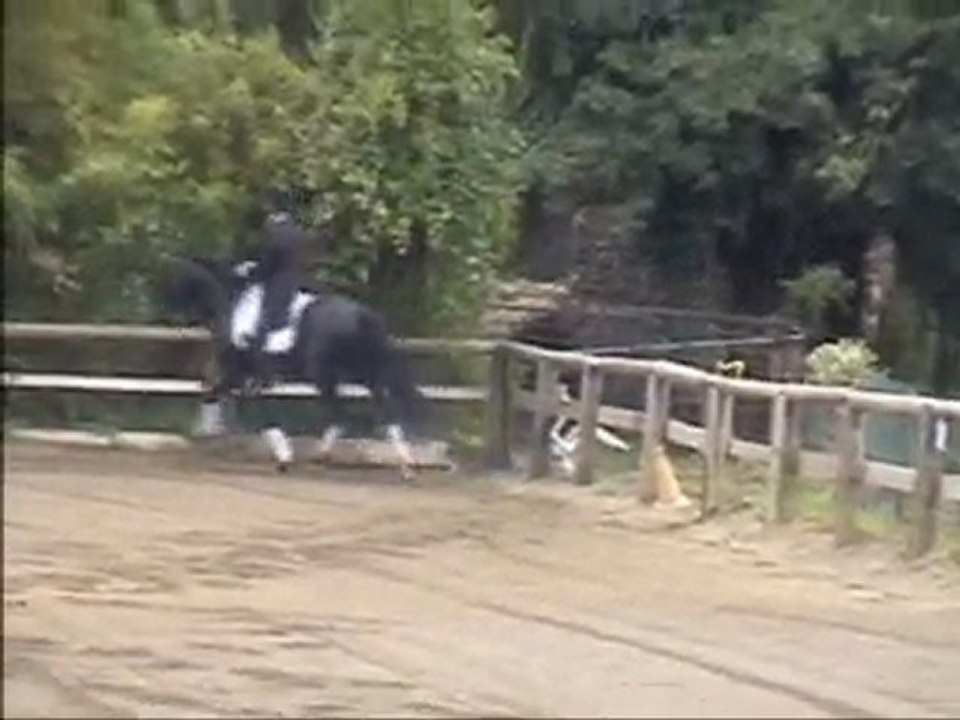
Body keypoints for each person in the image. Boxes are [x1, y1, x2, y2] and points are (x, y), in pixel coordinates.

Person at [247, 209, 310, 389]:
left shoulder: (276, 237)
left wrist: (252, 272)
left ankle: (261, 375)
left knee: (263, 327)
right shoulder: (299, 234)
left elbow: (269, 263)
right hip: (298, 280)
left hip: (278, 285)